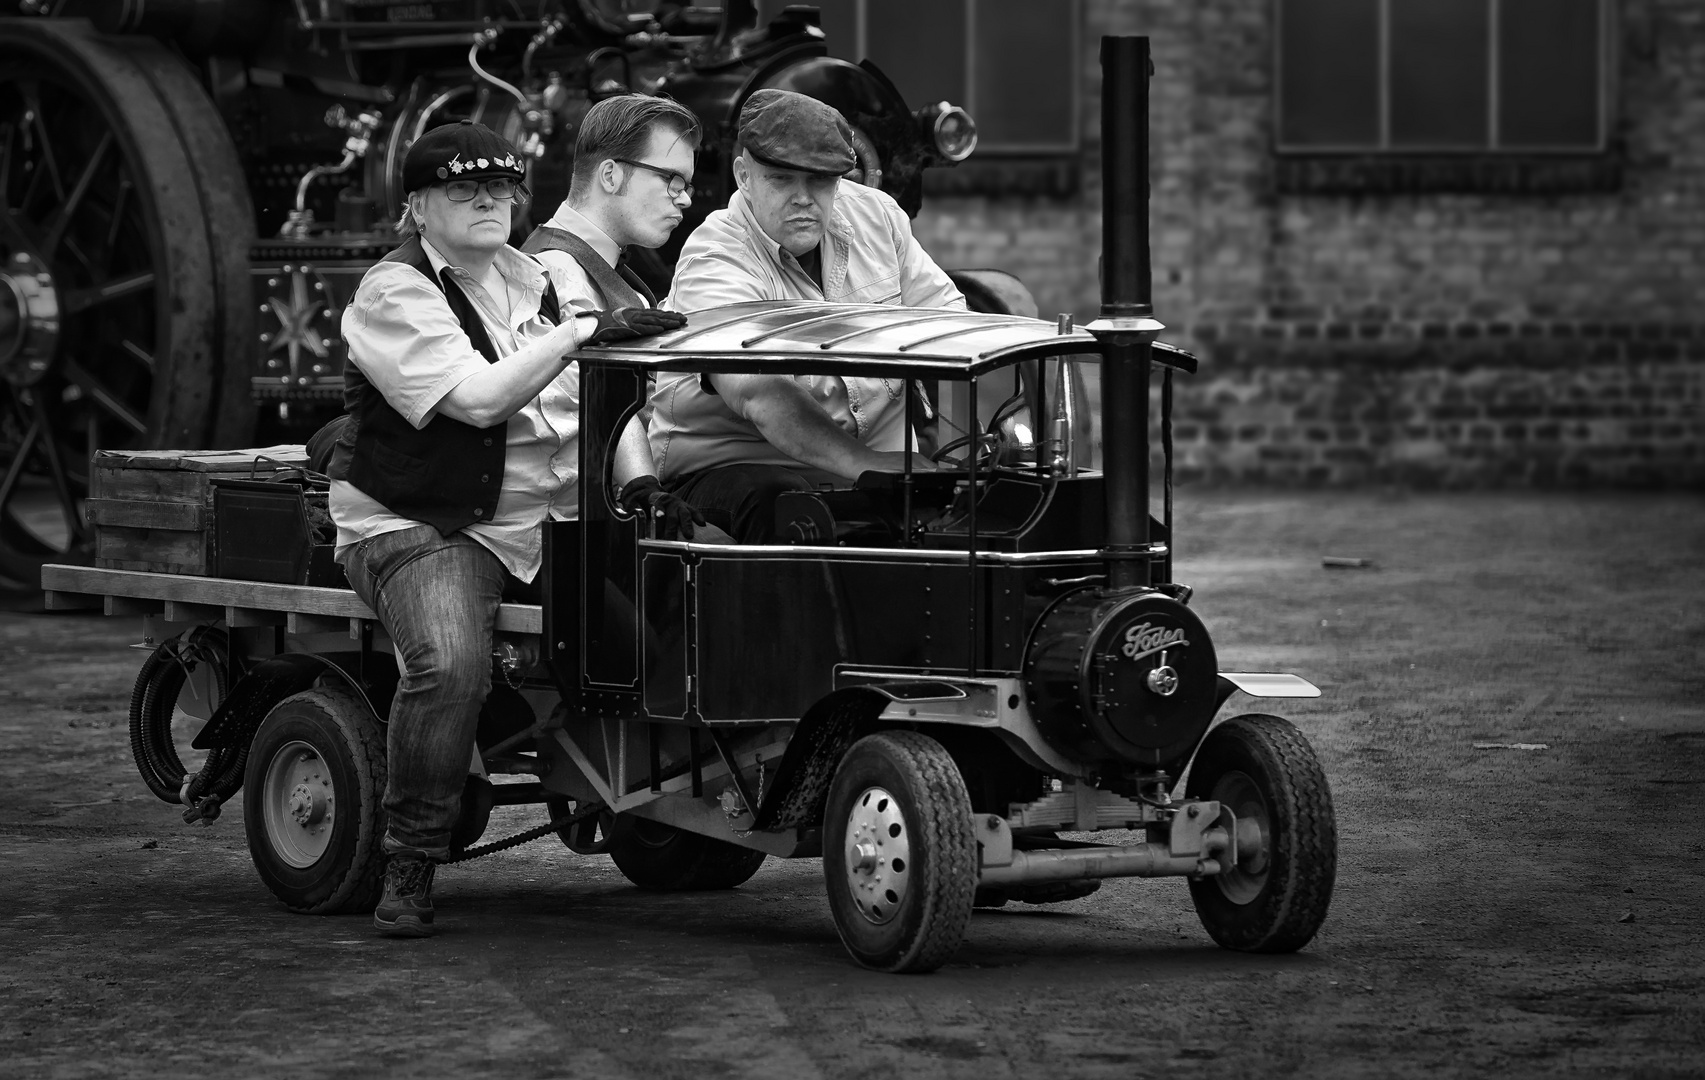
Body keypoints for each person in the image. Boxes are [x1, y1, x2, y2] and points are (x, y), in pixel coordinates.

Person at [326, 120, 689, 938]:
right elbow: (480, 400)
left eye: (501, 188)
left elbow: (584, 414)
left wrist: (646, 494)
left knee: (657, 648)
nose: (489, 201)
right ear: (418, 206)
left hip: (537, 521)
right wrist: (579, 335)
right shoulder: (394, 291)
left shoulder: (533, 277)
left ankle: (658, 817)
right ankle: (411, 856)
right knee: (450, 664)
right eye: (464, 190)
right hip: (424, 524)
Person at [647, 89, 968, 543]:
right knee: (782, 500)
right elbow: (759, 395)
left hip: (882, 474)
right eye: (781, 179)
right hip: (738, 471)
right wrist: (868, 465)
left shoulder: (878, 217)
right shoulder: (715, 257)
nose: (803, 199)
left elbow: (950, 321)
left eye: (820, 182)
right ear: (743, 176)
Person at [520, 93, 720, 533]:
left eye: (685, 184)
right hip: (576, 527)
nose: (684, 199)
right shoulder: (554, 271)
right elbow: (589, 408)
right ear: (610, 175)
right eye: (671, 179)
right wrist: (644, 488)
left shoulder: (608, 268)